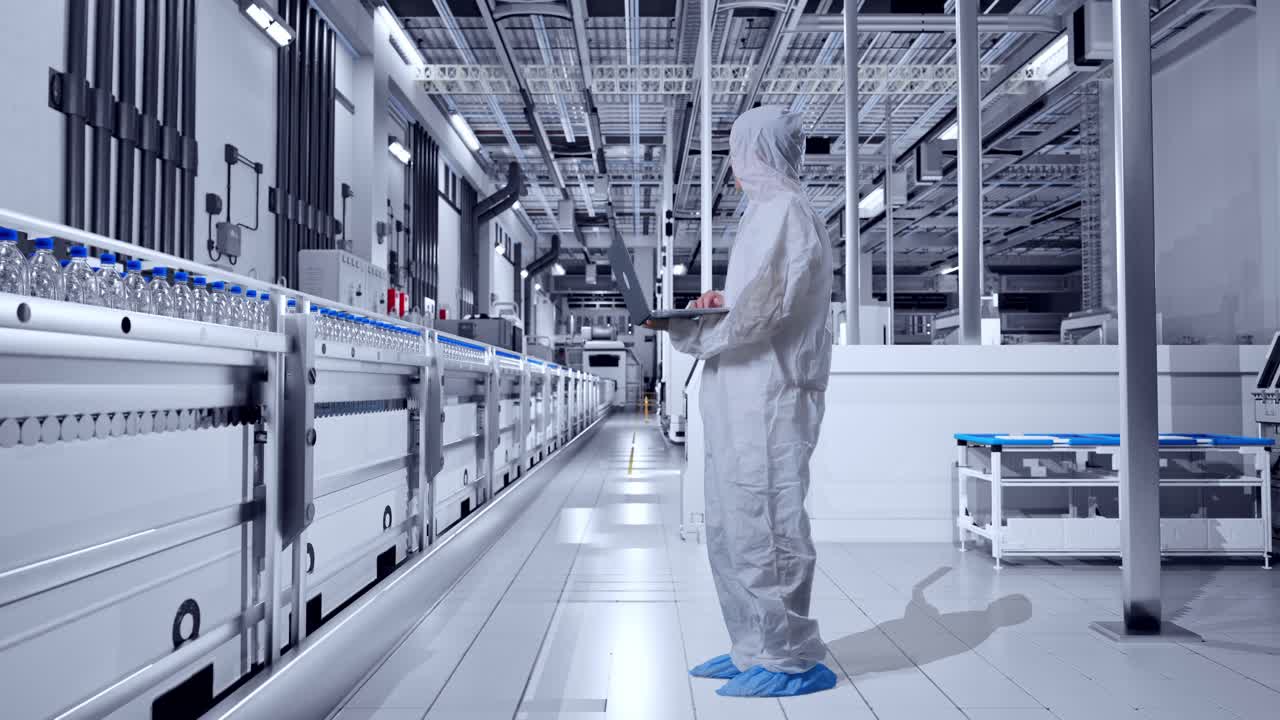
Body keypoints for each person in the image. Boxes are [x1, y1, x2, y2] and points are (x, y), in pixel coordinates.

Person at [648, 106, 835, 697]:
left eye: (736, 150)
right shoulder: (762, 215)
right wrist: (715, 302)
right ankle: (751, 645)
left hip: (771, 397)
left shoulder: (786, 211)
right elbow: (751, 300)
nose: (731, 163)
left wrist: (696, 331)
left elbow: (765, 312)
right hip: (740, 393)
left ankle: (790, 658)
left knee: (768, 525)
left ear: (758, 151)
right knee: (730, 524)